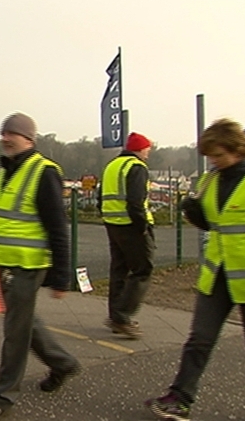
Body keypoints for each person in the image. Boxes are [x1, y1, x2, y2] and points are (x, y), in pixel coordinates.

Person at [146, 118, 245, 421]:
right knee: (199, 339)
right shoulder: (211, 180)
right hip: (217, 277)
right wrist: (193, 212)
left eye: (218, 154)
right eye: (209, 155)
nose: (213, 161)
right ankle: (180, 399)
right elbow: (215, 223)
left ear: (238, 149)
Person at [0, 112, 79, 421]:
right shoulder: (5, 172)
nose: (4, 138)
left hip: (28, 266)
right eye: (2, 133)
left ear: (29, 139)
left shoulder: (44, 172)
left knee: (15, 332)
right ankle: (62, 363)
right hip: (7, 264)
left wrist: (61, 277)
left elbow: (58, 227)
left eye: (11, 133)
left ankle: (1, 397)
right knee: (23, 322)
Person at [97, 132, 155, 338]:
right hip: (132, 225)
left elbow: (99, 196)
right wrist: (142, 226)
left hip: (113, 224)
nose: (149, 152)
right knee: (142, 269)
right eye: (147, 148)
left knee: (119, 270)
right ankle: (122, 316)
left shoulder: (112, 166)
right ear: (139, 149)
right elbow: (136, 201)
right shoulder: (137, 167)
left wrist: (106, 216)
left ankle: (115, 316)